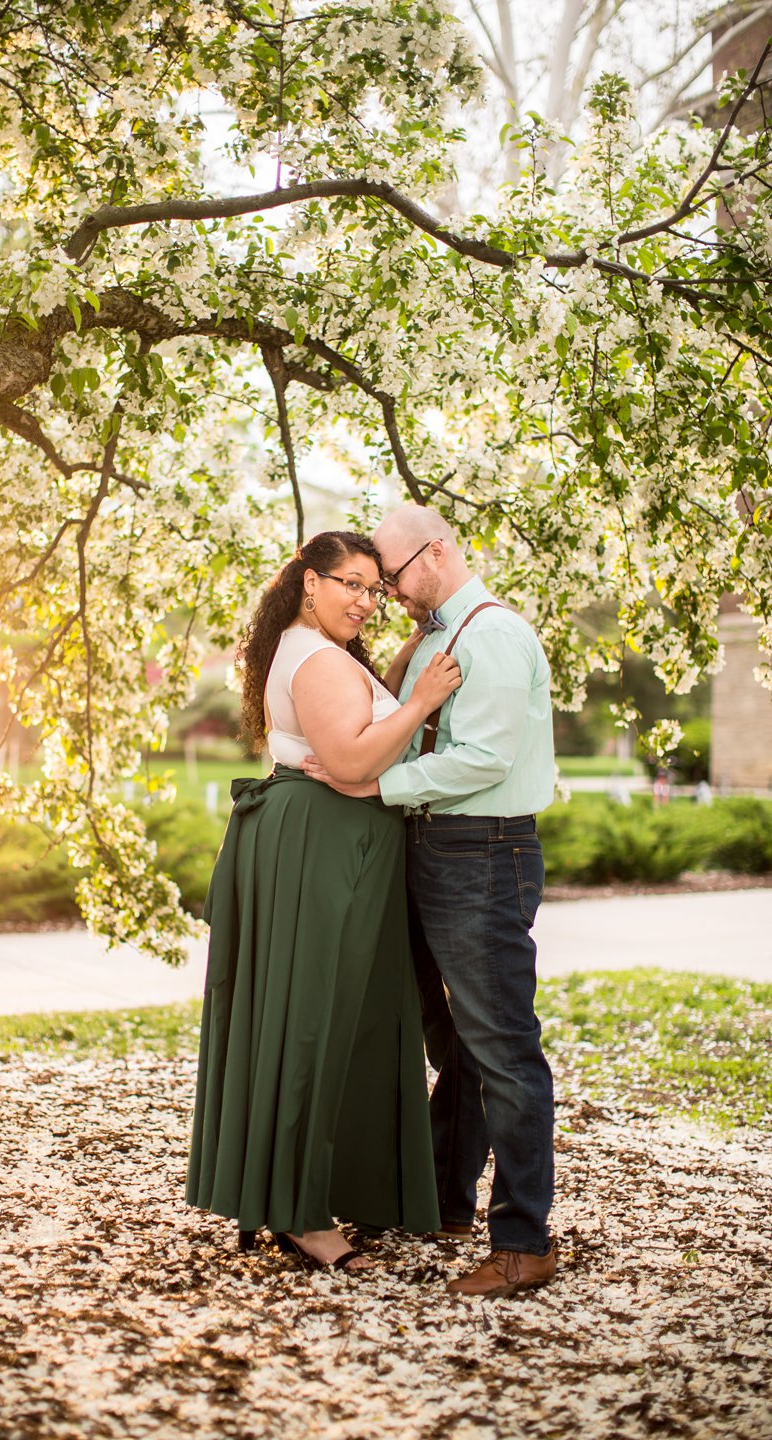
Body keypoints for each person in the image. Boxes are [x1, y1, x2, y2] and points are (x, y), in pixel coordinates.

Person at [187, 531, 461, 1272]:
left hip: (332, 844)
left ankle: (276, 1195)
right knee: (311, 1024)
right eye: (351, 584)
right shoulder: (313, 655)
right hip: (322, 848)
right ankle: (303, 1216)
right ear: (310, 582)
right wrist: (425, 701)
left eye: (376, 590)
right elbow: (349, 760)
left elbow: (353, 734)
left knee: (330, 1020)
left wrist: (406, 666)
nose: (366, 601)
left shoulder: (314, 652)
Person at [304, 504, 557, 1298]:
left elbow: (483, 758)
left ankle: (523, 1240)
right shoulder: (441, 639)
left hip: (483, 853)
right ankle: (445, 1202)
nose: (388, 593)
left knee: (503, 1050)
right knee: (450, 1045)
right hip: (428, 849)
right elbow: (395, 719)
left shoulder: (494, 636)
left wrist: (378, 783)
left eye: (394, 576)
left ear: (436, 554)